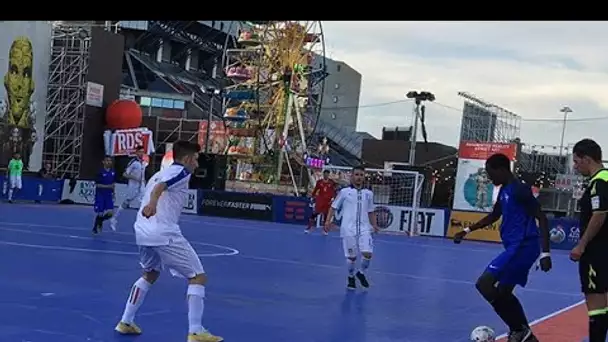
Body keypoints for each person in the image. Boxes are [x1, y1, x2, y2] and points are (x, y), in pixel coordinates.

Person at [114, 141, 223, 342]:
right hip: (163, 233)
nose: (197, 165)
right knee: (197, 277)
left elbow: (157, 185)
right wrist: (153, 205)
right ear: (188, 159)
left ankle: (126, 321)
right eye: (196, 160)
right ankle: (196, 331)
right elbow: (159, 189)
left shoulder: (158, 172)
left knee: (150, 274)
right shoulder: (181, 172)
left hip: (142, 231)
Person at [453, 153, 551, 342]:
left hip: (523, 246)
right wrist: (466, 230)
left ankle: (519, 330)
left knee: (484, 284)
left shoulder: (520, 190)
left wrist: (545, 252)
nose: (490, 179)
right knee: (504, 293)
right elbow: (494, 216)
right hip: (515, 247)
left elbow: (542, 217)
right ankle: (524, 333)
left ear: (502, 170)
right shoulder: (505, 190)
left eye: (491, 174)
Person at [569, 139, 608, 342]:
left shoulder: (599, 181)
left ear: (587, 159)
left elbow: (600, 213)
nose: (575, 166)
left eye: (577, 161)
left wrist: (582, 244)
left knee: (596, 305)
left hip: (597, 250)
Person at [325, 166, 379, 290]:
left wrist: (374, 225)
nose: (359, 177)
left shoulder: (368, 194)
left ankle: (361, 273)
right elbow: (333, 207)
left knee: (368, 254)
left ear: (364, 177)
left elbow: (371, 211)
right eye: (357, 175)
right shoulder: (344, 192)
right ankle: (350, 277)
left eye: (361, 175)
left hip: (365, 228)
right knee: (352, 257)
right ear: (352, 176)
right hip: (348, 229)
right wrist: (328, 221)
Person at [110, 146, 146, 231]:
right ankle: (114, 218)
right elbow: (125, 174)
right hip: (133, 186)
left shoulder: (143, 162)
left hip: (142, 186)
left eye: (143, 152)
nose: (141, 153)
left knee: (144, 202)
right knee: (126, 202)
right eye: (140, 151)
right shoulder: (133, 162)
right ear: (136, 152)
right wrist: (135, 178)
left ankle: (143, 224)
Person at [306, 169, 337, 235]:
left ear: (329, 175)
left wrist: (333, 198)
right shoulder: (319, 182)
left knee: (326, 216)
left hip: (328, 202)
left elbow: (334, 191)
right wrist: (312, 197)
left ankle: (325, 230)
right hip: (320, 200)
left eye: (327, 174)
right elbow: (315, 190)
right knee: (315, 214)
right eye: (325, 174)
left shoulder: (331, 182)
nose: (326, 175)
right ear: (323, 174)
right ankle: (308, 228)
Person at [93, 156, 116, 234]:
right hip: (100, 195)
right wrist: (108, 186)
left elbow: (113, 184)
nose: (109, 162)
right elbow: (97, 185)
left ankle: (99, 222)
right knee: (100, 213)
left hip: (109, 195)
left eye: (110, 161)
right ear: (103, 162)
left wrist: (113, 192)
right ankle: (95, 228)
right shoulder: (100, 172)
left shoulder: (113, 172)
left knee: (110, 213)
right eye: (107, 160)